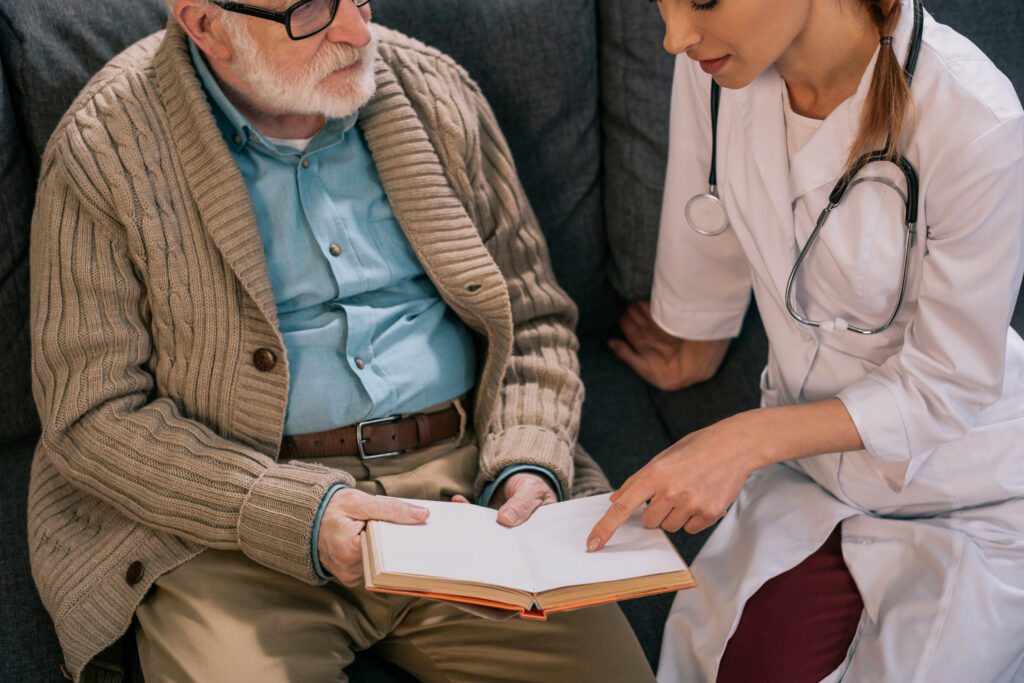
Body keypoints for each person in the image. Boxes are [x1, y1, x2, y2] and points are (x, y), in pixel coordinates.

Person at [27, 0, 657, 680]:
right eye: (310, 13)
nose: (358, 34)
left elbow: (532, 318)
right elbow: (91, 413)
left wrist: (528, 462)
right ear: (207, 25)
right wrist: (288, 512)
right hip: (231, 524)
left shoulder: (433, 87)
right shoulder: (105, 144)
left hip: (467, 499)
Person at [587, 0, 1024, 681]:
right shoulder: (718, 70)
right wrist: (695, 337)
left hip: (965, 489)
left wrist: (746, 439)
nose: (674, 37)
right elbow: (707, 217)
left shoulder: (975, 122)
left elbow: (951, 382)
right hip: (813, 477)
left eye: (701, 1)